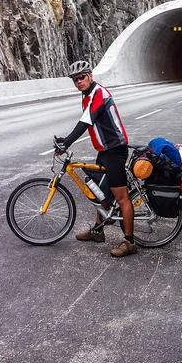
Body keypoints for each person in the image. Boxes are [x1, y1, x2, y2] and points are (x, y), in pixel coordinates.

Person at [54, 60, 137, 257]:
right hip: (105, 151)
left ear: (90, 75)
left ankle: (130, 242)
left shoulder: (99, 93)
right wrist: (65, 139)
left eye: (81, 77)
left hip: (115, 151)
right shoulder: (87, 95)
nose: (78, 82)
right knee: (101, 194)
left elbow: (85, 122)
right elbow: (87, 122)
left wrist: (67, 143)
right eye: (75, 80)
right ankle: (97, 232)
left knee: (121, 197)